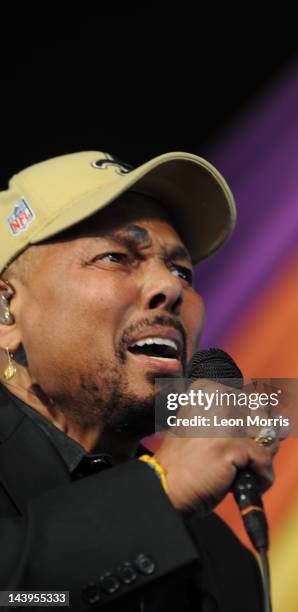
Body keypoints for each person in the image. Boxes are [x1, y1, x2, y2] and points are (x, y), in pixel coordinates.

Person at [0, 150, 275, 611]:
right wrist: (160, 494)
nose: (170, 288)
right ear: (7, 312)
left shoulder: (225, 563)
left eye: (182, 271)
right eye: (116, 257)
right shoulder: (168, 496)